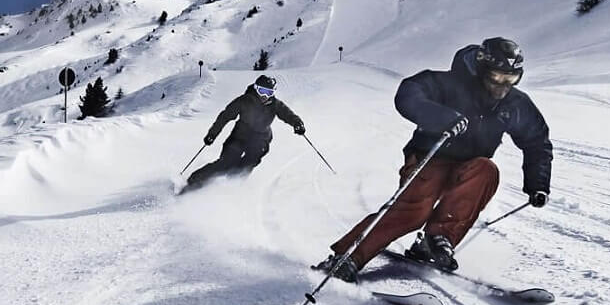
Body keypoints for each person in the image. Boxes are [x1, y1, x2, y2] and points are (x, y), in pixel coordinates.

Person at [319, 37, 551, 281]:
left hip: (469, 167)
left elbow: (537, 141)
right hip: (430, 156)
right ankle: (347, 257)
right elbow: (408, 94)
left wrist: (538, 184)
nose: (502, 86)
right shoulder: (448, 83)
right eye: (496, 77)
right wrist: (442, 117)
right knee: (413, 212)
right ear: (482, 68)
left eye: (510, 79)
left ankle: (436, 240)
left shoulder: (515, 103)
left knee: (487, 170)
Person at [184, 75, 305, 190]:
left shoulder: (275, 104)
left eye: (269, 93)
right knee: (226, 163)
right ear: (256, 88)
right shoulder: (244, 100)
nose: (265, 95)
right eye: (262, 91)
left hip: (261, 139)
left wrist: (297, 124)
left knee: (248, 163)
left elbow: (288, 114)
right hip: (240, 135)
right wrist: (212, 135)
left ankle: (232, 186)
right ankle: (194, 181)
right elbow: (225, 116)